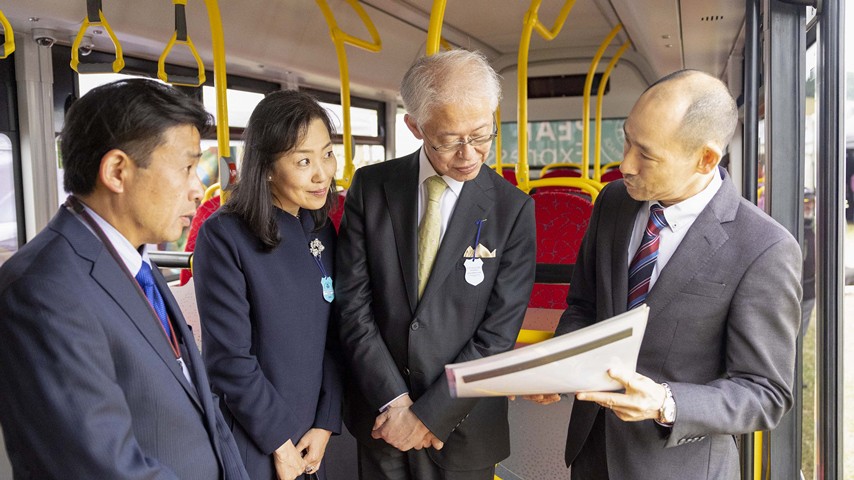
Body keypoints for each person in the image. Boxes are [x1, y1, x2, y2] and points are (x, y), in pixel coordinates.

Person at [527, 70, 802, 479]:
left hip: (676, 466)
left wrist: (664, 402)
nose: (624, 164)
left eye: (647, 154)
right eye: (627, 140)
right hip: (590, 451)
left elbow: (765, 393)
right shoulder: (614, 202)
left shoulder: (764, 248)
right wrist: (564, 364)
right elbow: (584, 305)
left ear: (706, 158)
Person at [0, 79, 249, 479]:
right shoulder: (43, 291)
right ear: (118, 171)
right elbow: (100, 467)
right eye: (186, 168)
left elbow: (206, 413)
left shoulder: (135, 261)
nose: (198, 190)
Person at [335, 49, 536, 480]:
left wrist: (428, 415)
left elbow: (497, 334)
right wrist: (395, 402)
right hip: (382, 418)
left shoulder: (512, 209)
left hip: (465, 423)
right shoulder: (371, 189)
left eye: (482, 135)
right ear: (415, 126)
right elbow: (353, 306)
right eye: (448, 140)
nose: (469, 154)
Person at [194, 90, 342, 480]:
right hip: (256, 439)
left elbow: (334, 338)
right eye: (303, 161)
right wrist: (279, 441)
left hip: (313, 439)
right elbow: (229, 359)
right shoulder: (224, 236)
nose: (322, 173)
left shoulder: (322, 231)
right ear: (268, 167)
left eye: (327, 154)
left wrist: (325, 422)